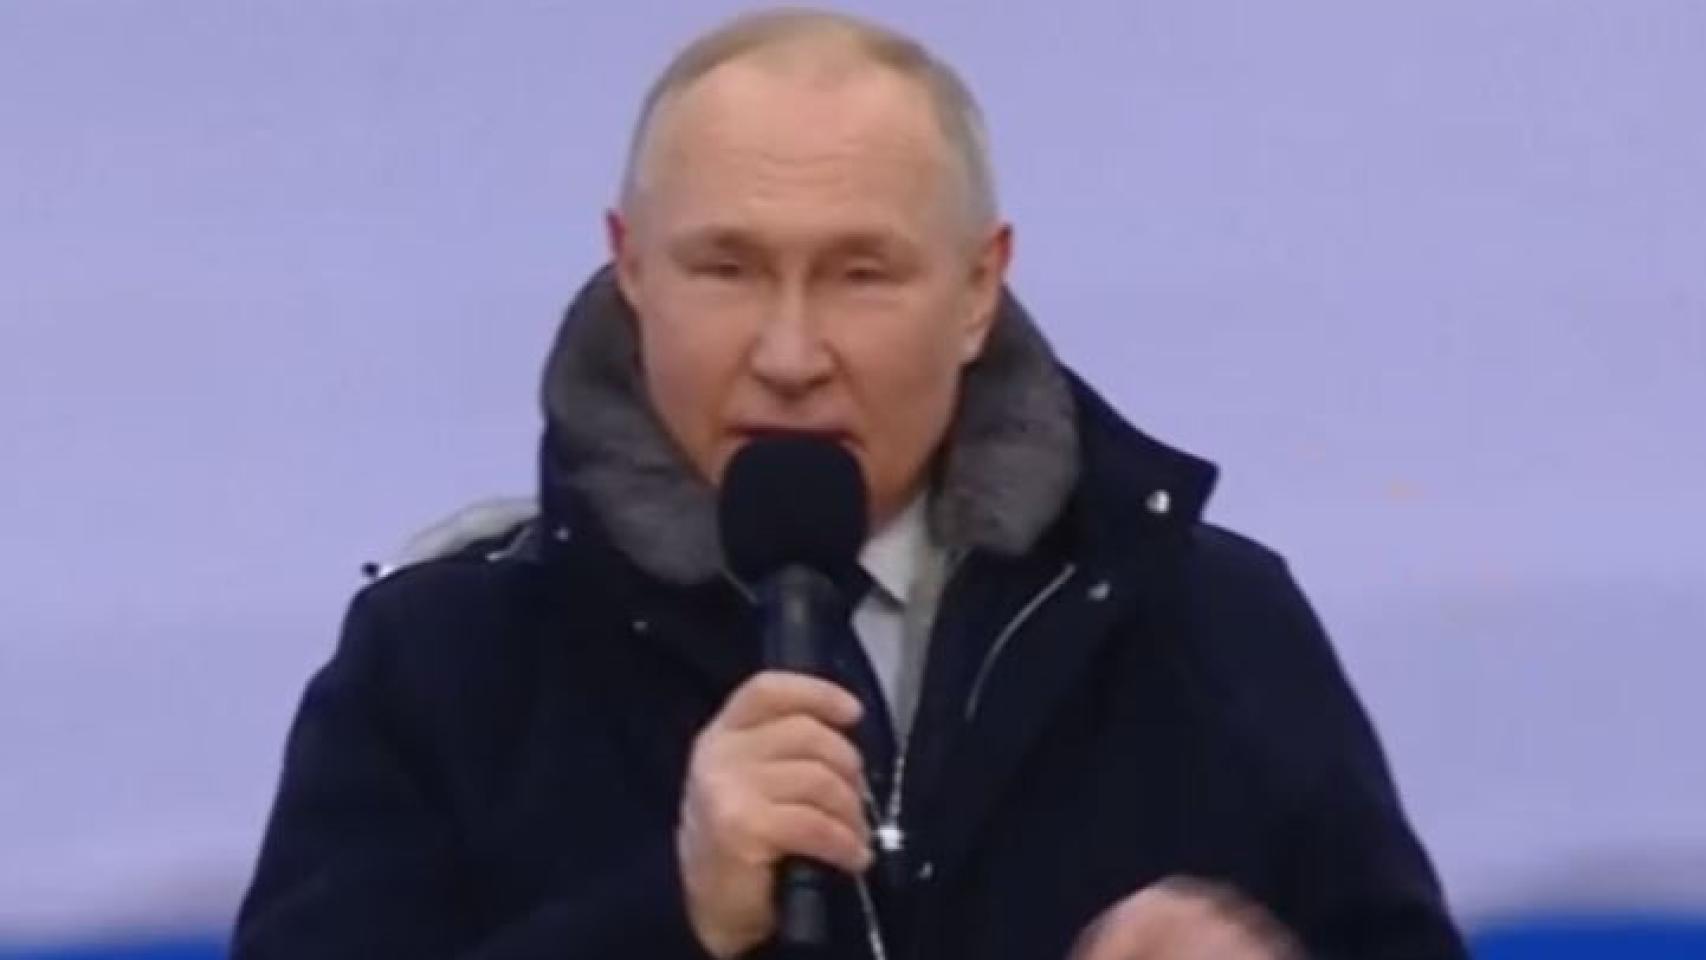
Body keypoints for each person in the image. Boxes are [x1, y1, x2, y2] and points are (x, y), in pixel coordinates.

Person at [233, 9, 1467, 959]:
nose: (786, 354)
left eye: (859, 274)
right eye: (725, 267)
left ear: (979, 288)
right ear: (630, 270)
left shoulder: (1209, 623)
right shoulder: (442, 659)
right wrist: (672, 918)